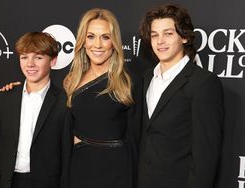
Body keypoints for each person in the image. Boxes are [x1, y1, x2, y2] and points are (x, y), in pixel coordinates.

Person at [137, 4, 224, 188]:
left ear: (184, 37)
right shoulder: (145, 79)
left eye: (168, 34)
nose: (160, 41)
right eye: (155, 35)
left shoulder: (203, 83)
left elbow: (205, 157)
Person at [63, 8, 142, 188]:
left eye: (105, 37)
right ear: (83, 41)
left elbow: (137, 138)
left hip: (117, 171)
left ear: (114, 43)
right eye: (91, 36)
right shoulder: (71, 81)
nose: (97, 44)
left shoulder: (129, 83)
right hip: (79, 169)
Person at [0, 32, 68, 188]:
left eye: (38, 57)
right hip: (6, 181)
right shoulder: (5, 97)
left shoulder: (64, 102)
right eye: (24, 57)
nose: (30, 64)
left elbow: (66, 156)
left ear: (53, 61)